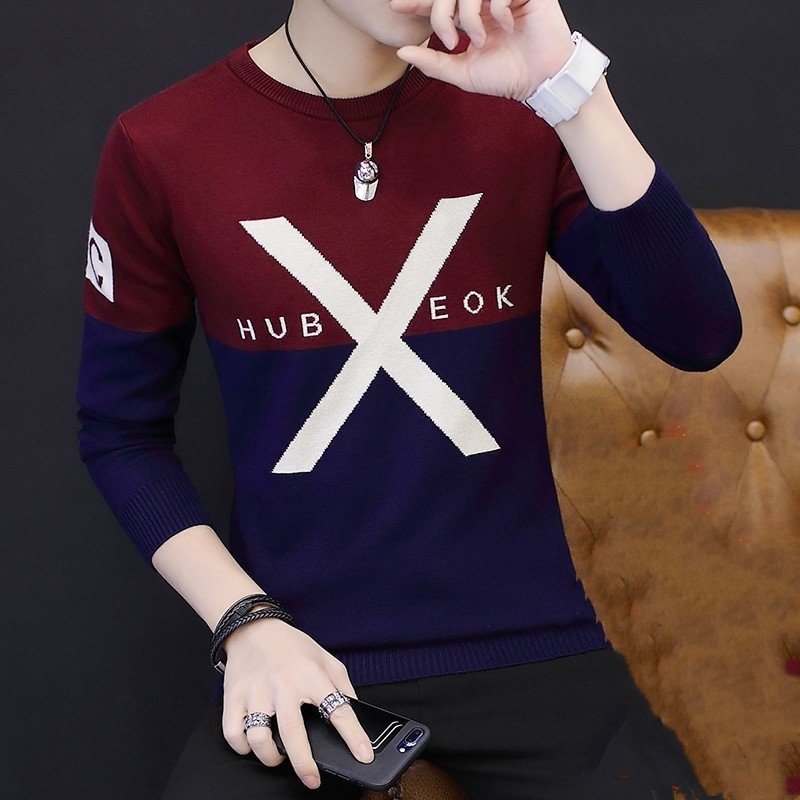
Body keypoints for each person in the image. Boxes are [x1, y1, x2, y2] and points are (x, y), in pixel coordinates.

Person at [75, 0, 741, 798]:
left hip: (534, 647)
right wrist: (244, 620)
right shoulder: (163, 144)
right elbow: (120, 429)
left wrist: (568, 88)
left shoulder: (521, 108)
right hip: (302, 659)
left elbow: (701, 333)